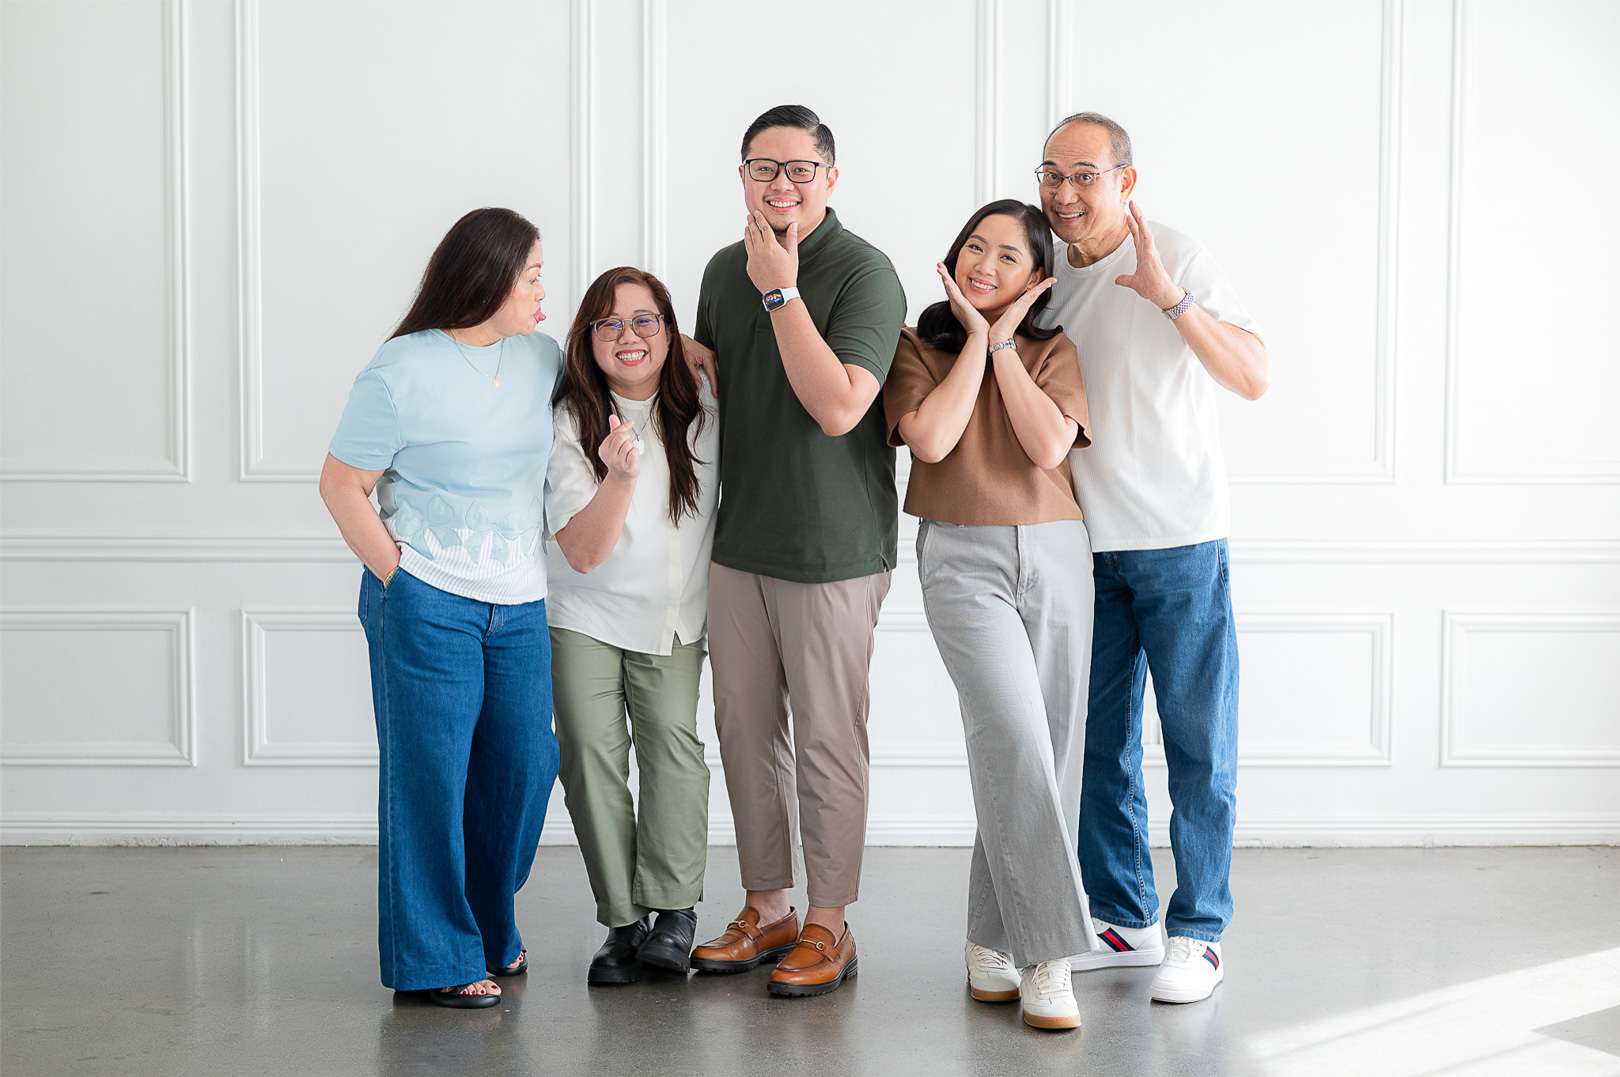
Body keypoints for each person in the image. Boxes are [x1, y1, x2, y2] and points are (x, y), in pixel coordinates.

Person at [1033, 112, 1269, 1004]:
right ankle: (1124, 915)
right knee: (1100, 746)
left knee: (1199, 745)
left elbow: (1253, 374)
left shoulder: (1175, 253)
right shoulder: (1044, 269)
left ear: (1125, 181)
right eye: (1051, 173)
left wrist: (1171, 297)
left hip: (1180, 542)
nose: (1063, 192)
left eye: (1083, 174)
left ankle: (1200, 931)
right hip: (1082, 547)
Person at [685, 104, 906, 998]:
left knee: (825, 737)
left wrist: (782, 291)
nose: (781, 185)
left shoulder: (865, 271)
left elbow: (841, 406)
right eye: (762, 168)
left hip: (834, 547)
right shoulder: (720, 269)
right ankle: (768, 905)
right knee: (744, 730)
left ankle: (830, 921)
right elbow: (714, 398)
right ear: (742, 176)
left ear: (830, 177)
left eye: (799, 169)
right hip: (739, 538)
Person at [319, 207, 562, 1009]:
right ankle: (436, 957)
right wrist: (404, 581)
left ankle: (485, 924)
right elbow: (341, 485)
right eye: (532, 276)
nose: (543, 292)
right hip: (428, 599)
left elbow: (623, 369)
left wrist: (689, 349)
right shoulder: (400, 369)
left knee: (525, 766)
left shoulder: (542, 358)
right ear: (489, 277)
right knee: (429, 780)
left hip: (518, 602)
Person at [885, 199, 1096, 1031]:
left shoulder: (1054, 348)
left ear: (1039, 276)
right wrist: (975, 337)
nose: (985, 263)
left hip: (1057, 550)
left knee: (1048, 753)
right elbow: (932, 440)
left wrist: (1006, 342)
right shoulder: (918, 345)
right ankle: (1050, 955)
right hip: (962, 555)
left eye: (1009, 256)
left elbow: (1047, 447)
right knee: (1013, 737)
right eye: (976, 246)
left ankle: (990, 935)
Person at [545, 266, 719, 985]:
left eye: (645, 320)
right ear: (587, 338)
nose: (628, 336)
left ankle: (674, 913)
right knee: (588, 755)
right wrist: (619, 476)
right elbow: (583, 554)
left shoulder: (706, 406)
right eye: (609, 323)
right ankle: (622, 921)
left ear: (670, 331)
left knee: (673, 750)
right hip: (583, 612)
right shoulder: (569, 418)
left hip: (673, 615)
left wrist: (700, 348)